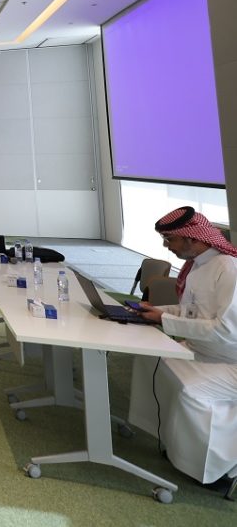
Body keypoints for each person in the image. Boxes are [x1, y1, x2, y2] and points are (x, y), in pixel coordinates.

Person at [128, 207, 237, 491]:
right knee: (151, 360)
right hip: (204, 349)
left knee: (191, 392)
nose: (167, 246)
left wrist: (164, 320)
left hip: (230, 361)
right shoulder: (199, 266)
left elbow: (227, 330)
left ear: (192, 238)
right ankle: (172, 440)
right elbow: (193, 312)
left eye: (170, 239)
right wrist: (157, 310)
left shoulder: (229, 268)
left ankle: (214, 470)